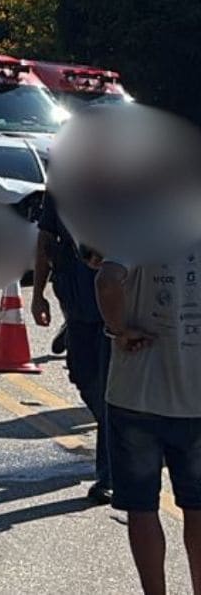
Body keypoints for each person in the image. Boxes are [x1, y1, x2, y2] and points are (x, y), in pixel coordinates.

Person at [96, 242, 201, 595]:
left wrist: (119, 329)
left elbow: (107, 281)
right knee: (198, 507)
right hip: (196, 397)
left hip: (136, 394)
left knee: (141, 507)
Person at [31, 192, 112, 504]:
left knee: (108, 393)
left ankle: (109, 475)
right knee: (82, 377)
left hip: (116, 311)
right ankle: (114, 434)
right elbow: (45, 240)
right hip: (77, 306)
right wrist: (38, 294)